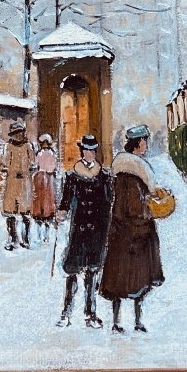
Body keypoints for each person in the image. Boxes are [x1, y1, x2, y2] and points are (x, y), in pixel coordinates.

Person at [100, 125, 165, 334]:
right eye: (145, 141)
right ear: (138, 143)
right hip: (135, 233)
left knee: (119, 279)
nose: (146, 144)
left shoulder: (120, 173)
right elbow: (136, 207)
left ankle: (118, 321)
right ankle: (134, 322)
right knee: (138, 279)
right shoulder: (136, 175)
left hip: (120, 233)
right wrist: (150, 208)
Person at [56, 134, 113, 329]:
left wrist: (107, 228)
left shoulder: (104, 177)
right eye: (86, 150)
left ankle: (91, 314)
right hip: (79, 230)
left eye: (92, 150)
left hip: (97, 231)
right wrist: (62, 212)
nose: (89, 153)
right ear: (82, 152)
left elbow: (108, 203)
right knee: (72, 271)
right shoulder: (72, 176)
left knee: (92, 272)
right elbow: (65, 199)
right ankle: (66, 312)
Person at [1, 121, 34, 250]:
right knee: (10, 211)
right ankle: (12, 237)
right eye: (15, 134)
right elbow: (4, 162)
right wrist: (6, 169)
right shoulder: (8, 147)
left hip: (24, 182)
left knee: (25, 211)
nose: (18, 136)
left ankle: (25, 238)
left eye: (19, 133)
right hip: (12, 182)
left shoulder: (28, 146)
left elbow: (32, 161)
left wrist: (29, 169)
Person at [31, 133, 59, 242]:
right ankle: (43, 220)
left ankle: (44, 219)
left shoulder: (44, 154)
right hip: (45, 178)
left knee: (45, 199)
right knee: (43, 199)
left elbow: (37, 164)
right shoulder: (47, 153)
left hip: (44, 177)